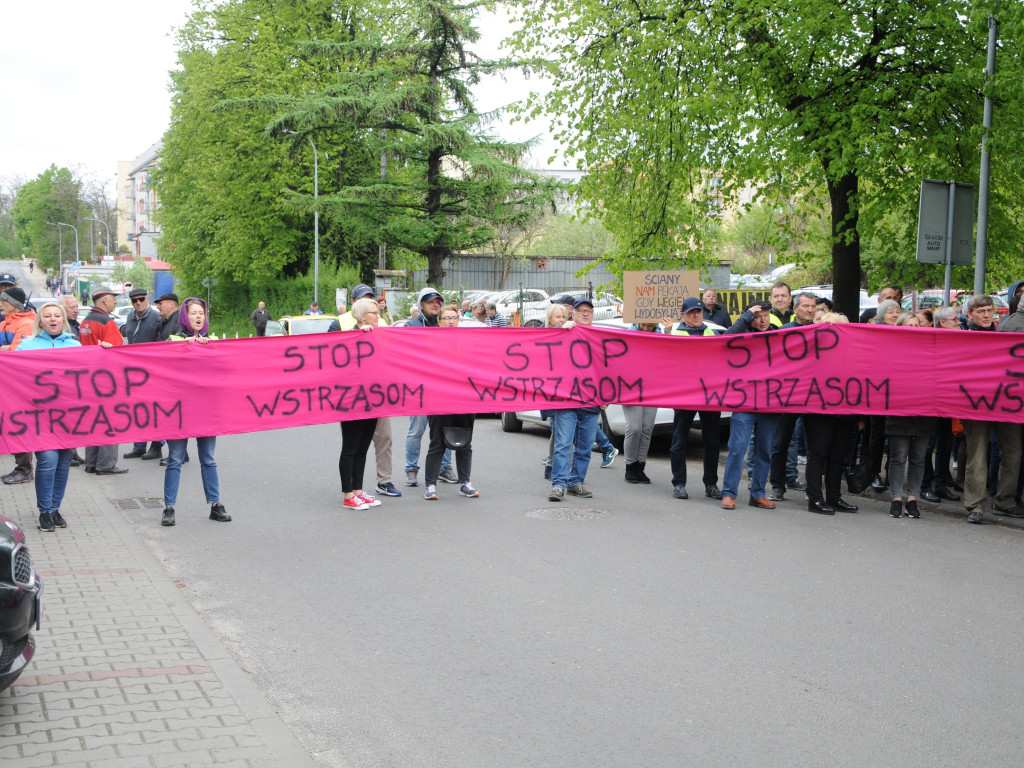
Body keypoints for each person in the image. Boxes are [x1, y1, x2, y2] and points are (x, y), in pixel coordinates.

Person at [161, 298, 230, 526]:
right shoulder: (172, 341)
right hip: (179, 412)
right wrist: (184, 347)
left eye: (201, 313)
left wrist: (213, 351)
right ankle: (169, 507)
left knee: (208, 459)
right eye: (193, 313)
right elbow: (162, 368)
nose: (198, 317)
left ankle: (215, 505)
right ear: (184, 317)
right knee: (175, 459)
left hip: (206, 410)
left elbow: (225, 372)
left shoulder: (213, 342)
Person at [16, 301, 81, 532]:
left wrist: (103, 350)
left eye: (57, 315)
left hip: (69, 418)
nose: (53, 319)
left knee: (63, 464)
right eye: (48, 316)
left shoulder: (76, 346)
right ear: (40, 321)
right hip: (39, 417)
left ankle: (55, 509)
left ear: (63, 320)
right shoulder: (26, 347)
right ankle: (44, 511)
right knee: (48, 461)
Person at [960, 295, 1024, 524]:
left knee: (1013, 453)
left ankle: (1004, 501)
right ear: (970, 314)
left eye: (990, 311)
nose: (987, 315)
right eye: (982, 311)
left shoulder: (1003, 336)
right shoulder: (960, 338)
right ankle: (975, 505)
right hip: (975, 405)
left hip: (1007, 403)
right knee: (977, 455)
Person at [720, 302, 780, 509]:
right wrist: (747, 316)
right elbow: (724, 337)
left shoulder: (779, 336)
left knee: (764, 450)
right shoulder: (741, 335)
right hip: (744, 401)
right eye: (757, 316)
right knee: (737, 448)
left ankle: (758, 494)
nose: (762, 320)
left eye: (766, 316)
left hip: (769, 403)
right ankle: (728, 493)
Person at [802, 312, 859, 515]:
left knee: (838, 455)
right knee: (819, 453)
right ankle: (815, 499)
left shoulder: (853, 353)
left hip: (846, 410)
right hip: (818, 410)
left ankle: (834, 497)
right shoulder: (813, 352)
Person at [668, 297, 723, 499]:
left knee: (712, 442)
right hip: (685, 394)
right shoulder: (673, 334)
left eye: (698, 311)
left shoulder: (712, 333)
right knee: (679, 441)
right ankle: (679, 483)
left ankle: (711, 484)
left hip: (709, 395)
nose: (696, 315)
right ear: (683, 315)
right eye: (691, 312)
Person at [548, 297, 602, 501]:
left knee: (585, 447)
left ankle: (575, 481)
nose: (585, 314)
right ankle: (558, 484)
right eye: (581, 311)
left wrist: (606, 396)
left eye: (589, 310)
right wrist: (562, 329)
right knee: (563, 444)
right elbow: (547, 351)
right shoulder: (564, 332)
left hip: (590, 400)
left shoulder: (599, 336)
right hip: (566, 399)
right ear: (574, 313)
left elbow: (608, 367)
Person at [423, 306, 479, 500]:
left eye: (454, 317)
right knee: (437, 442)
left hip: (464, 398)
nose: (451, 321)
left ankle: (465, 483)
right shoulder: (431, 343)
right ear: (438, 322)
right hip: (439, 399)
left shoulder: (468, 342)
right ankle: (430, 485)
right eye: (446, 318)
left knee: (465, 441)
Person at [767, 292, 817, 500]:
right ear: (795, 309)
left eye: (813, 306)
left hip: (815, 395)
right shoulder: (783, 332)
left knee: (816, 445)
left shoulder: (822, 330)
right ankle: (778, 485)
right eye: (805, 306)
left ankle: (813, 488)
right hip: (787, 396)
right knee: (780, 443)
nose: (810, 309)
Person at [403, 287, 454, 485]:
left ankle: (444, 467)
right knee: (416, 430)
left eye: (438, 301)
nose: (435, 304)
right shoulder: (410, 327)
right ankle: (411, 469)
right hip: (419, 389)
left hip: (442, 389)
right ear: (421, 304)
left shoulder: (444, 327)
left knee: (445, 429)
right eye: (431, 301)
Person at [338, 298, 383, 510]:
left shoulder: (378, 335)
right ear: (362, 315)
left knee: (363, 447)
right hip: (351, 401)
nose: (377, 316)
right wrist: (357, 337)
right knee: (350, 447)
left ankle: (357, 490)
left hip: (373, 400)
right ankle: (348, 494)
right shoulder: (349, 336)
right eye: (374, 312)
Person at [78, 289, 128, 476]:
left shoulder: (86, 321)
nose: (114, 302)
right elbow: (117, 353)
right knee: (109, 422)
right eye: (113, 299)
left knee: (93, 421)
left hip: (86, 378)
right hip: (106, 380)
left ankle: (91, 462)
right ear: (105, 301)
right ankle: (106, 464)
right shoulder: (107, 322)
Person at [123, 288, 165, 462]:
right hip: (134, 372)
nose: (138, 303)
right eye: (134, 300)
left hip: (153, 371)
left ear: (147, 299)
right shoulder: (130, 318)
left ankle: (157, 445)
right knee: (138, 410)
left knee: (154, 410)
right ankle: (139, 445)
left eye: (141, 299)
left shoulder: (156, 318)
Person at [621, 321, 662, 485]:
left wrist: (667, 331)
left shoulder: (662, 337)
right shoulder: (627, 336)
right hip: (631, 387)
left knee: (646, 428)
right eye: (643, 326)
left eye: (649, 327)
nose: (646, 329)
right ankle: (630, 466)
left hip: (652, 387)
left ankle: (640, 466)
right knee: (634, 427)